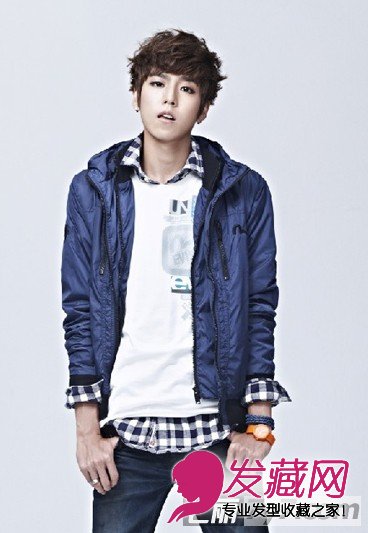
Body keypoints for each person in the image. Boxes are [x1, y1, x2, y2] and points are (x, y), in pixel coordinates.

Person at [61, 28, 291, 532]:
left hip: (219, 430)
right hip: (129, 432)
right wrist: (86, 431)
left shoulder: (243, 191)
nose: (169, 99)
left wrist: (259, 424)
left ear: (203, 108)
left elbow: (258, 307)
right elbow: (79, 311)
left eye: (186, 89)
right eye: (157, 84)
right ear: (136, 94)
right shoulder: (94, 190)